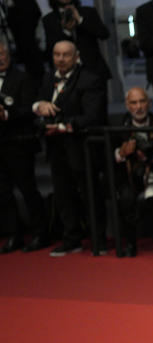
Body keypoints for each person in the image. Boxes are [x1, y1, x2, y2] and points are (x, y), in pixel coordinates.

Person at [33, 39, 107, 256]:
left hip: (81, 148)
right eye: (57, 54)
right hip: (56, 148)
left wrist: (64, 126)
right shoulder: (48, 78)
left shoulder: (90, 79)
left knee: (90, 194)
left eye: (66, 55)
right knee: (63, 195)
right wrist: (39, 107)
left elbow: (93, 116)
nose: (61, 59)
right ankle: (71, 238)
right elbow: (37, 102)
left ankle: (98, 240)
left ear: (76, 56)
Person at [112, 86, 153, 257]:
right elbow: (112, 157)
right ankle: (131, 243)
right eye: (134, 102)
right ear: (127, 105)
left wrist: (148, 155)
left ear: (149, 103)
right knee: (126, 199)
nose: (138, 106)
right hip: (131, 175)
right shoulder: (119, 125)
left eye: (142, 101)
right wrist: (123, 153)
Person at [0, 40, 47, 252]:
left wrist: (7, 115)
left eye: (3, 54)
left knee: (28, 189)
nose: (0, 58)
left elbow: (32, 109)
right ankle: (13, 234)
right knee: (3, 193)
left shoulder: (22, 78)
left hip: (19, 143)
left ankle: (40, 233)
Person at [41, 0, 111, 82]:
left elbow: (104, 34)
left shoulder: (88, 12)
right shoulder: (49, 19)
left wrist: (81, 20)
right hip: (66, 73)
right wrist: (66, 31)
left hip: (93, 70)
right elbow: (50, 48)